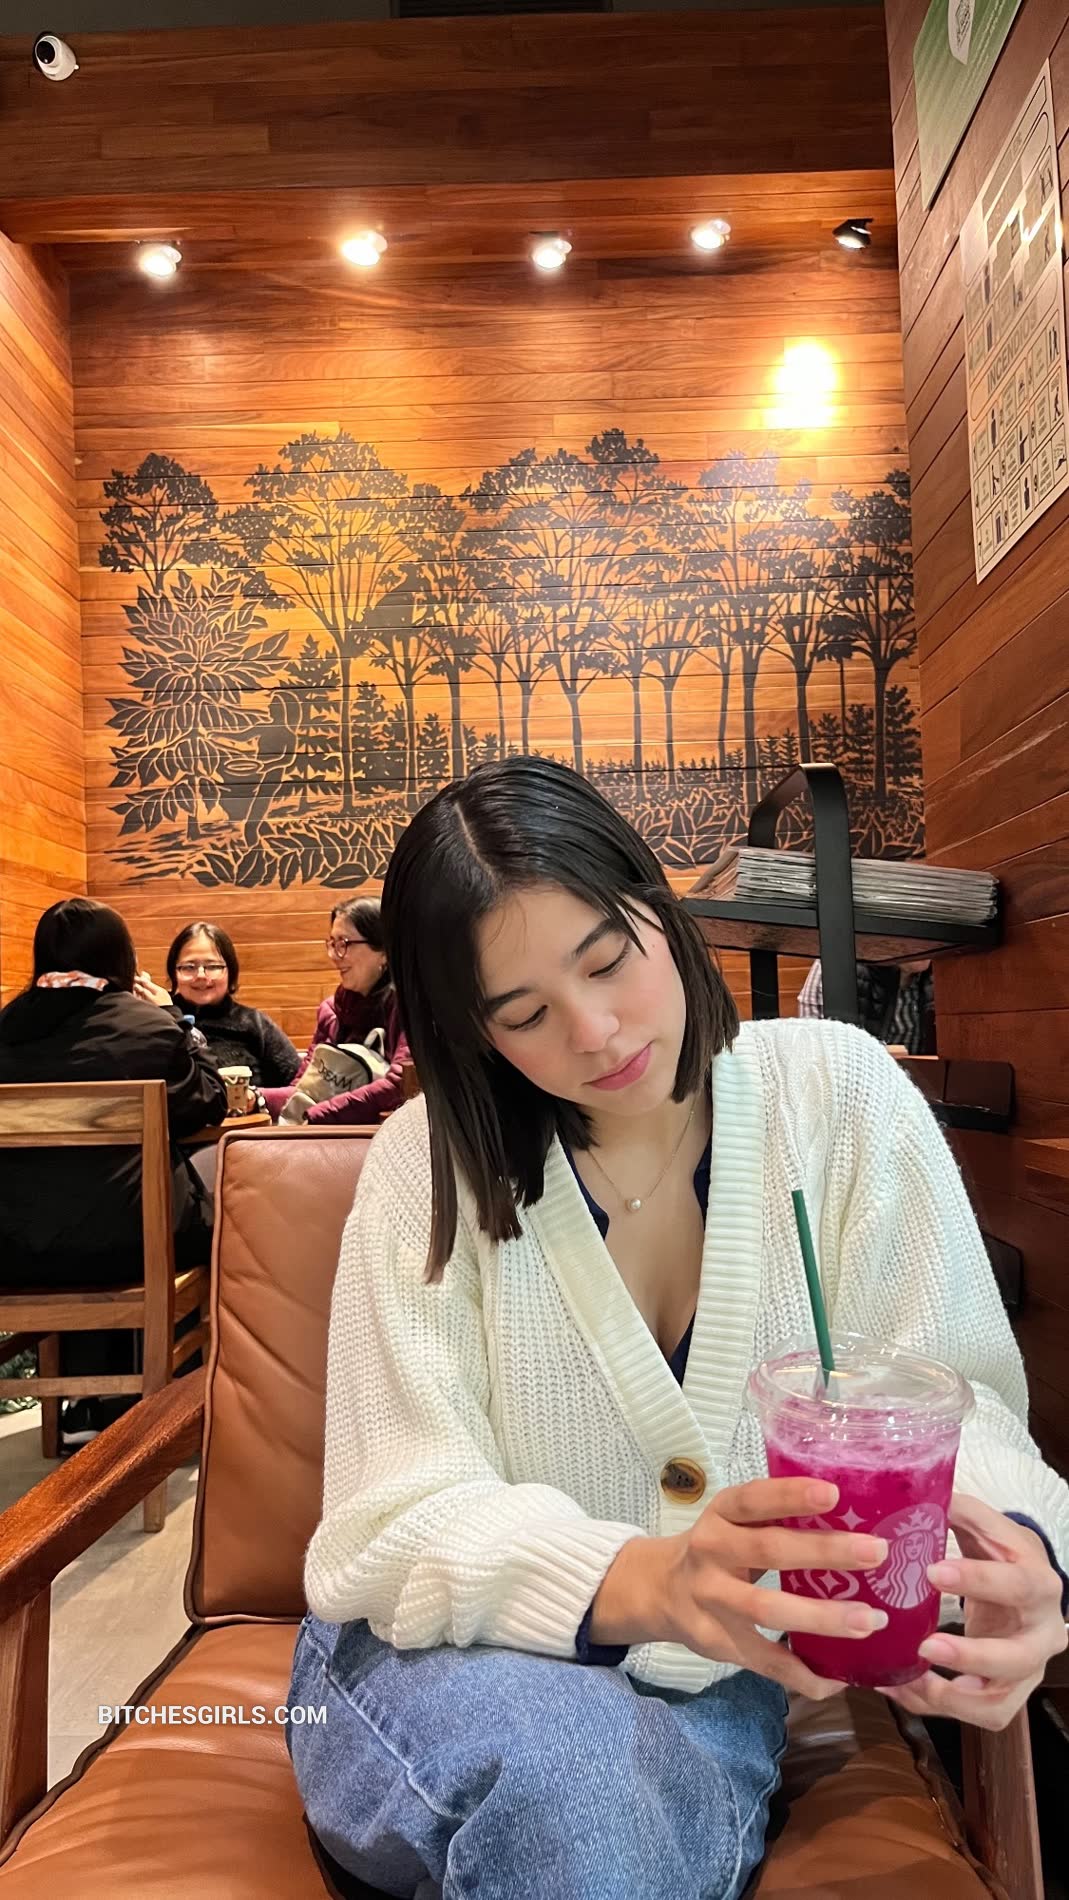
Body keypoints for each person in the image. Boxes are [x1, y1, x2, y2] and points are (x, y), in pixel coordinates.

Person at [286, 759, 1068, 1900]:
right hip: (430, 1660)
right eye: (524, 1014)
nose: (597, 1031)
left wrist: (1015, 1558)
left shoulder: (838, 1096)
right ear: (472, 1032)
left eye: (608, 959)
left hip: (710, 1688)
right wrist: (652, 1578)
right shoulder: (429, 1165)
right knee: (578, 1788)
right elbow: (390, 1519)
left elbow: (954, 1401)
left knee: (605, 1813)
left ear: (656, 904)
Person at [0, 898, 227, 1452]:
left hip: (14, 1252)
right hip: (130, 1248)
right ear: (120, 957)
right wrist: (178, 1020)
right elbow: (208, 1102)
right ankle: (177, 1405)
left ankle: (83, 1405)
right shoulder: (148, 1027)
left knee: (82, 1205)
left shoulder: (5, 1028)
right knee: (193, 1211)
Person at [261, 898, 410, 1125]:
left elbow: (399, 1086)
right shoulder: (332, 1012)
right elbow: (304, 1090)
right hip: (328, 1130)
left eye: (344, 943)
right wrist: (255, 1097)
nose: (333, 955)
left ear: (384, 950)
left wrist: (318, 1115)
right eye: (332, 943)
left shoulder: (409, 1008)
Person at [165, 921, 300, 1089]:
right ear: (174, 973)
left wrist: (257, 1097)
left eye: (212, 966)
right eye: (189, 967)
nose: (200, 975)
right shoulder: (162, 1021)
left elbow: (299, 1085)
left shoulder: (255, 1023)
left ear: (231, 971)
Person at [797, 956, 935, 1055]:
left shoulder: (939, 969)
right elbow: (816, 1054)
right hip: (853, 1081)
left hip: (919, 1083)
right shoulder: (835, 965)